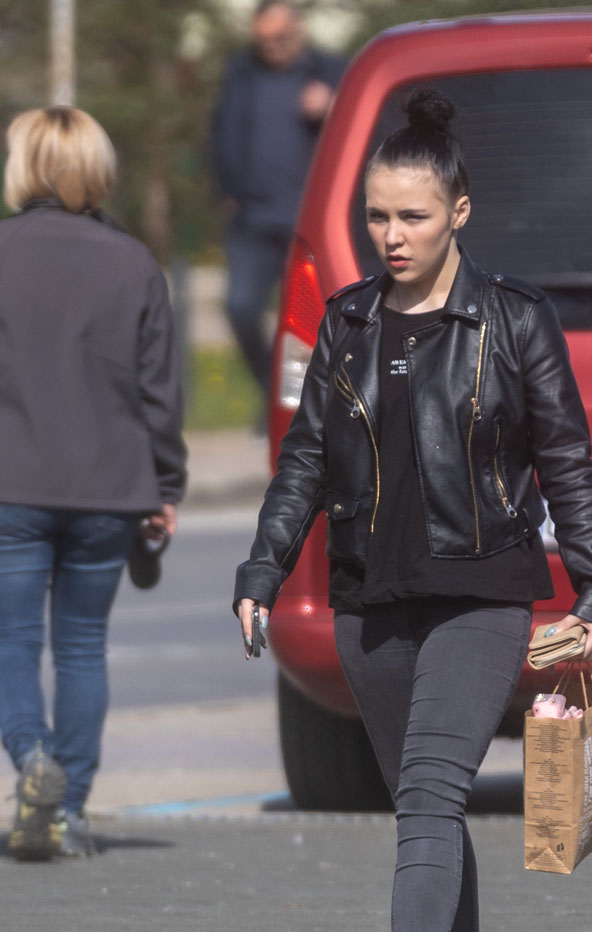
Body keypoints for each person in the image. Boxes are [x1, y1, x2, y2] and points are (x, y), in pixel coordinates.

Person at [233, 90, 592, 932]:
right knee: (425, 804)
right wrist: (263, 567)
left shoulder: (513, 319)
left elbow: (566, 460)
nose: (391, 236)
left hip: (482, 591)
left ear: (458, 212)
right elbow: (305, 461)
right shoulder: (348, 322)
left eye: (411, 215)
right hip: (371, 595)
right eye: (377, 216)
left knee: (430, 789)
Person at [0, 107, 186, 860]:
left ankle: (31, 757)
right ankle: (68, 811)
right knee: (82, 647)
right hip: (111, 487)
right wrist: (165, 485)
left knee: (12, 640)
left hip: (11, 482)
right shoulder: (134, 263)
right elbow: (159, 393)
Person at [210, 0, 346, 404]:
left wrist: (333, 105)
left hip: (310, 224)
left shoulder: (331, 70)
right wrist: (226, 190)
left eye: (279, 38)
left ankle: (316, 402)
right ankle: (276, 395)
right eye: (263, 40)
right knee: (240, 309)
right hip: (252, 220)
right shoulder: (241, 73)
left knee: (316, 320)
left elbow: (363, 128)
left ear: (298, 29)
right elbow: (220, 132)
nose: (271, 47)